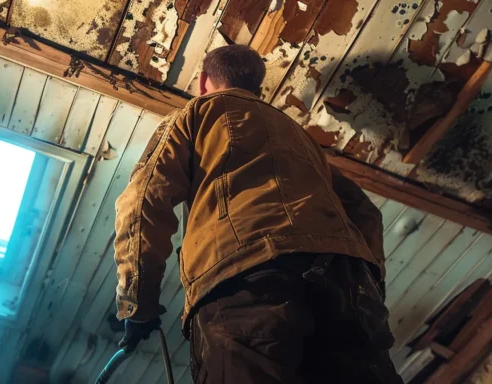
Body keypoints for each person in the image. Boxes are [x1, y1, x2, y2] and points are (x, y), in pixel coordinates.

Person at [112, 44, 402, 383]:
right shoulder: (304, 140)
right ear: (257, 86)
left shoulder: (197, 113)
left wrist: (138, 305)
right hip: (345, 279)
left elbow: (144, 200)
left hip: (247, 281)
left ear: (204, 80)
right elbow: (366, 213)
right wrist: (368, 282)